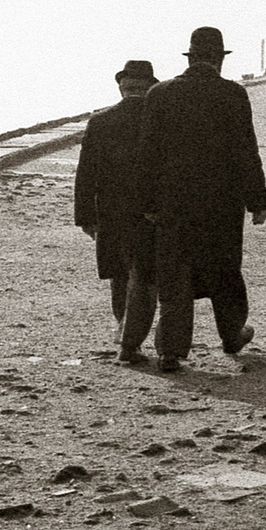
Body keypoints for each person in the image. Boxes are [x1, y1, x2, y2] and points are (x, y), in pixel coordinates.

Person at [131, 26, 266, 372]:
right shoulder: (233, 95)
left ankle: (171, 351)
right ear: (218, 60)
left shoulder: (160, 94)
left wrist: (147, 202)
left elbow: (147, 154)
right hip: (222, 203)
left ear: (191, 57)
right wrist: (258, 199)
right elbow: (246, 151)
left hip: (173, 203)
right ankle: (232, 335)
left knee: (175, 274)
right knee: (225, 272)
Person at [75, 60, 160, 360]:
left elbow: (85, 174)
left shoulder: (100, 121)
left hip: (111, 211)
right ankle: (130, 341)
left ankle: (123, 327)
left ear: (121, 88)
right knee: (146, 277)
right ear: (151, 86)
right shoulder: (159, 119)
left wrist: (85, 216)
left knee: (119, 275)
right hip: (150, 211)